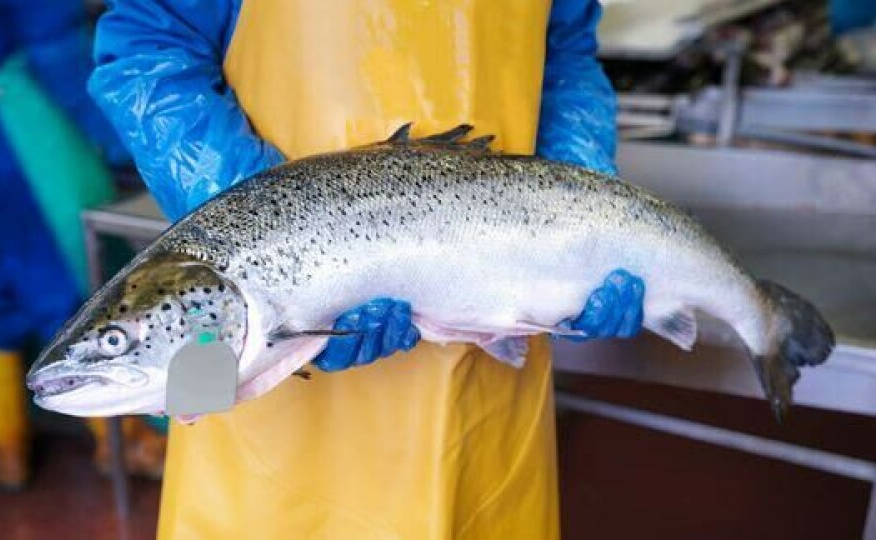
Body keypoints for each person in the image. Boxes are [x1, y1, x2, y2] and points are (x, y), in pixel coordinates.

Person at [90, 1, 645, 537]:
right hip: (271, 380)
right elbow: (149, 47)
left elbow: (566, 54)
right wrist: (274, 247)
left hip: (493, 359)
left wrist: (582, 213)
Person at [0, 0, 163, 490]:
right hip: (4, 117)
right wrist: (124, 140)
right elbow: (53, 48)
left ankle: (6, 450)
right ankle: (123, 439)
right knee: (64, 279)